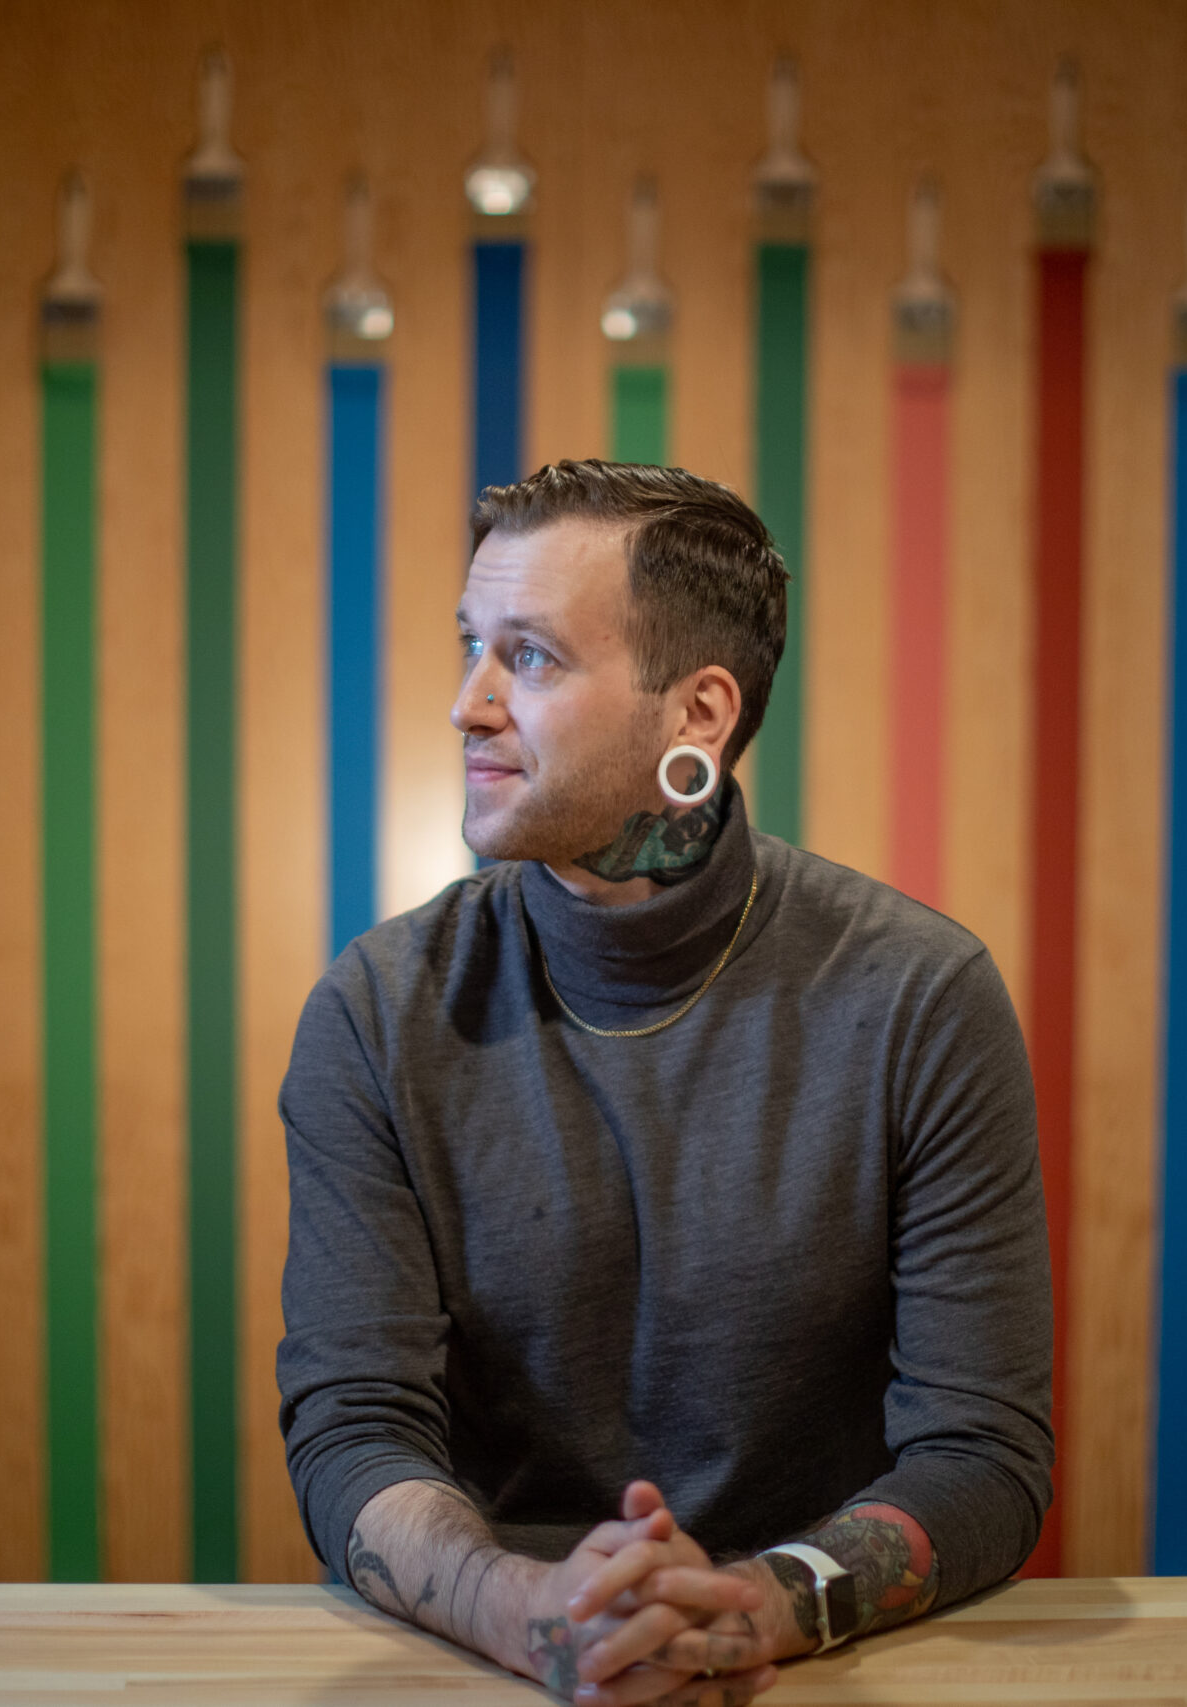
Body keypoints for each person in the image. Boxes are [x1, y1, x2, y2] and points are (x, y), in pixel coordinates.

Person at [277, 460, 1053, 1707]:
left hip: (818, 1662)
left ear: (696, 714)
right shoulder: (376, 1011)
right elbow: (354, 1429)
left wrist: (765, 1606)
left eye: (526, 659)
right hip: (492, 1659)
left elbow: (984, 1454)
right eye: (472, 648)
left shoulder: (919, 995)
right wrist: (529, 1613)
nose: (467, 705)